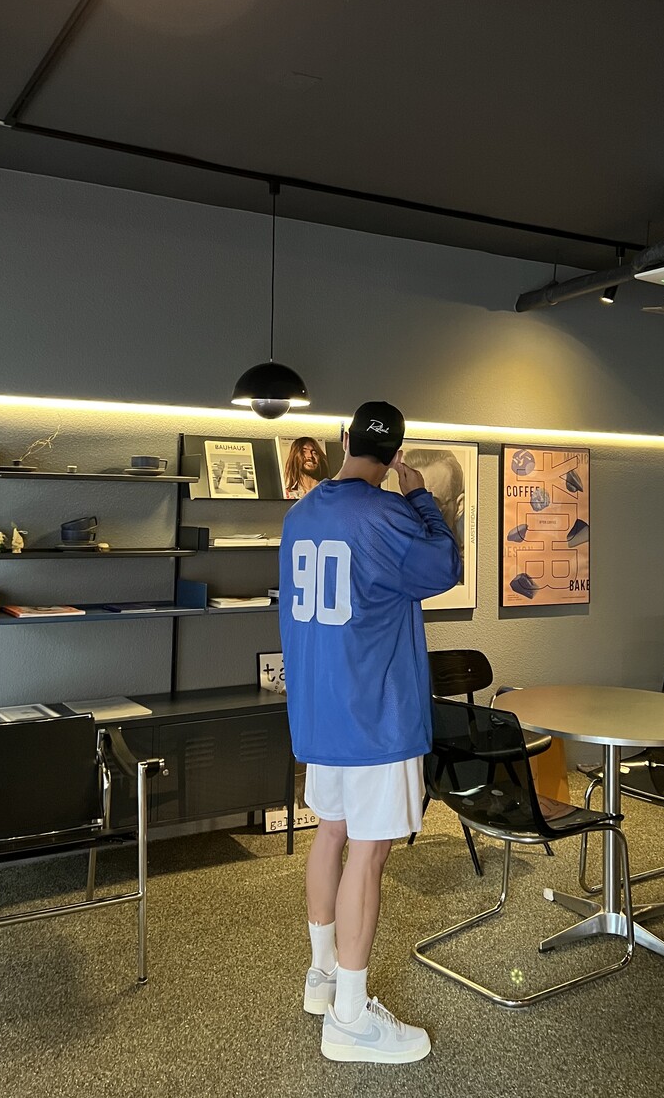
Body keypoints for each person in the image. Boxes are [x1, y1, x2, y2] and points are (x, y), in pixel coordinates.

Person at [278, 401, 461, 1065]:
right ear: (394, 455)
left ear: (345, 440)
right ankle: (351, 1018)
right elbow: (445, 566)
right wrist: (421, 498)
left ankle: (322, 976)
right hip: (375, 716)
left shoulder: (300, 513)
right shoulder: (389, 513)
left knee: (330, 834)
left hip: (319, 712)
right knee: (369, 854)